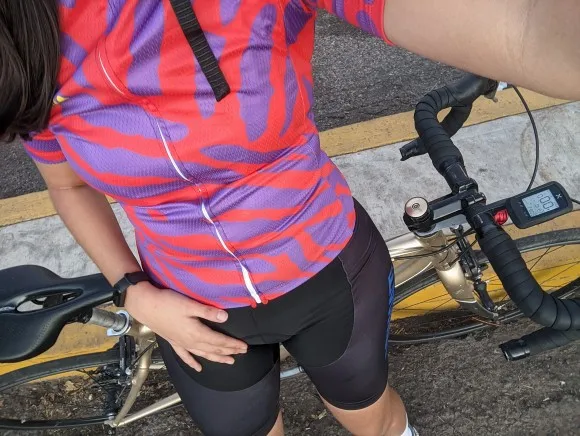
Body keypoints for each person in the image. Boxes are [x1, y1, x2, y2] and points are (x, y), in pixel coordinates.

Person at [1, 1, 578, 435]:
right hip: (188, 308)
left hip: (331, 278)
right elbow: (69, 183)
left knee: (374, 421)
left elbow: (524, 27)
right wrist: (132, 291)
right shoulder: (22, 28)